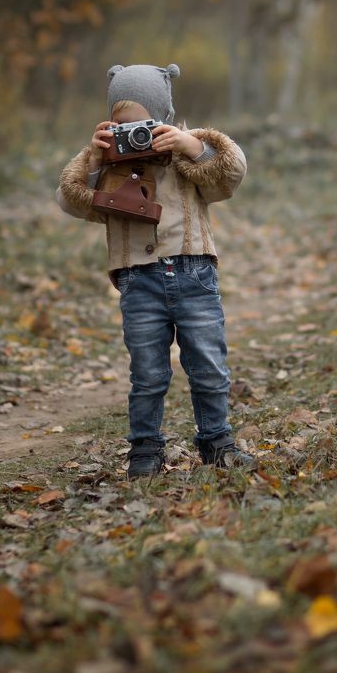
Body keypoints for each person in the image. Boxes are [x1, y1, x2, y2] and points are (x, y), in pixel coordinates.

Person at [55, 63, 256, 479]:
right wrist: (94, 159)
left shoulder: (186, 155)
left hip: (194, 272)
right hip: (138, 280)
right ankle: (145, 449)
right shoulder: (107, 165)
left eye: (144, 124)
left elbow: (230, 175)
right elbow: (71, 200)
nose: (135, 134)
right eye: (122, 125)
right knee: (147, 374)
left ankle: (216, 440)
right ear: (110, 123)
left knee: (209, 367)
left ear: (164, 117)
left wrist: (191, 145)